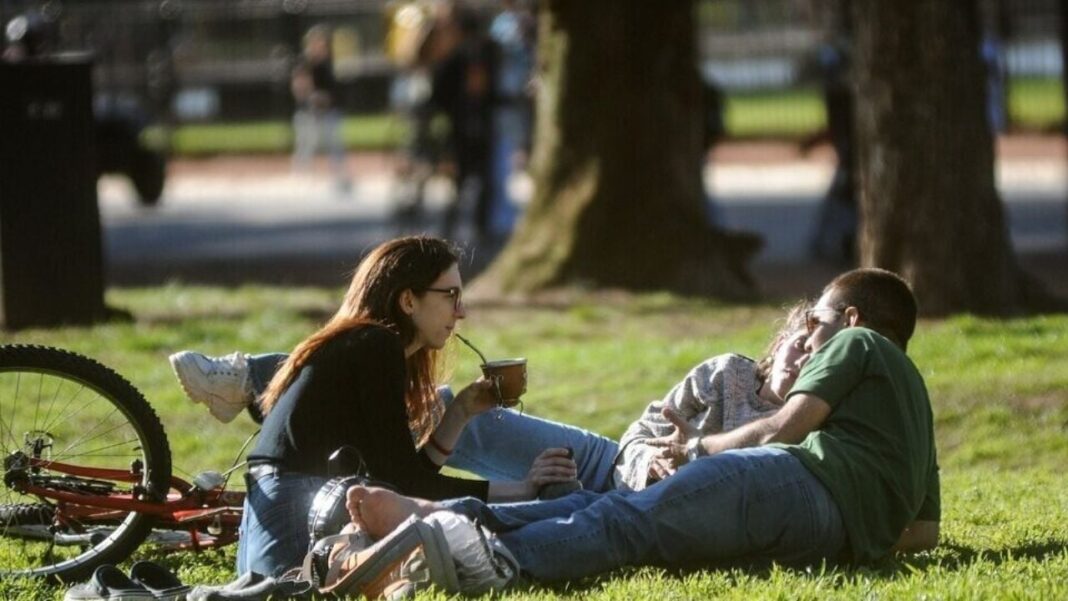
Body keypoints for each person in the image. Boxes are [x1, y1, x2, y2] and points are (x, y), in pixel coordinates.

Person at [339, 267, 940, 589]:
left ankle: (482, 554)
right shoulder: (910, 402)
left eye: (819, 323)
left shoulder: (854, 342)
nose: (809, 336)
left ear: (853, 320)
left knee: (625, 523)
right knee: (625, 517)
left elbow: (778, 432)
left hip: (786, 481)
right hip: (822, 527)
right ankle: (437, 524)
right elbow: (921, 533)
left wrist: (694, 448)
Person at [171, 299, 813, 497]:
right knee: (454, 401)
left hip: (619, 505)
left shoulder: (818, 422)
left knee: (401, 468)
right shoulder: (730, 373)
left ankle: (241, 478)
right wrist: (652, 460)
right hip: (609, 463)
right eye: (798, 340)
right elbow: (649, 427)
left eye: (817, 353)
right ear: (781, 336)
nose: (801, 356)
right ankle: (258, 379)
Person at [226, 236, 575, 578]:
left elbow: (404, 477)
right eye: (450, 295)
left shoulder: (367, 344)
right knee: (471, 525)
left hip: (282, 504)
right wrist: (522, 490)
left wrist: (461, 412)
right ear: (408, 300)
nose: (462, 311)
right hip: (293, 505)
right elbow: (408, 484)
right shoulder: (376, 345)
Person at [291, 24, 352, 195]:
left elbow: (337, 87)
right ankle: (302, 174)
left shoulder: (331, 62)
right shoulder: (304, 62)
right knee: (306, 141)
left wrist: (327, 99)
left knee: (335, 142)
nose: (318, 45)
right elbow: (299, 85)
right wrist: (311, 97)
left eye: (321, 42)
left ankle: (339, 173)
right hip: (308, 109)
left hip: (330, 109)